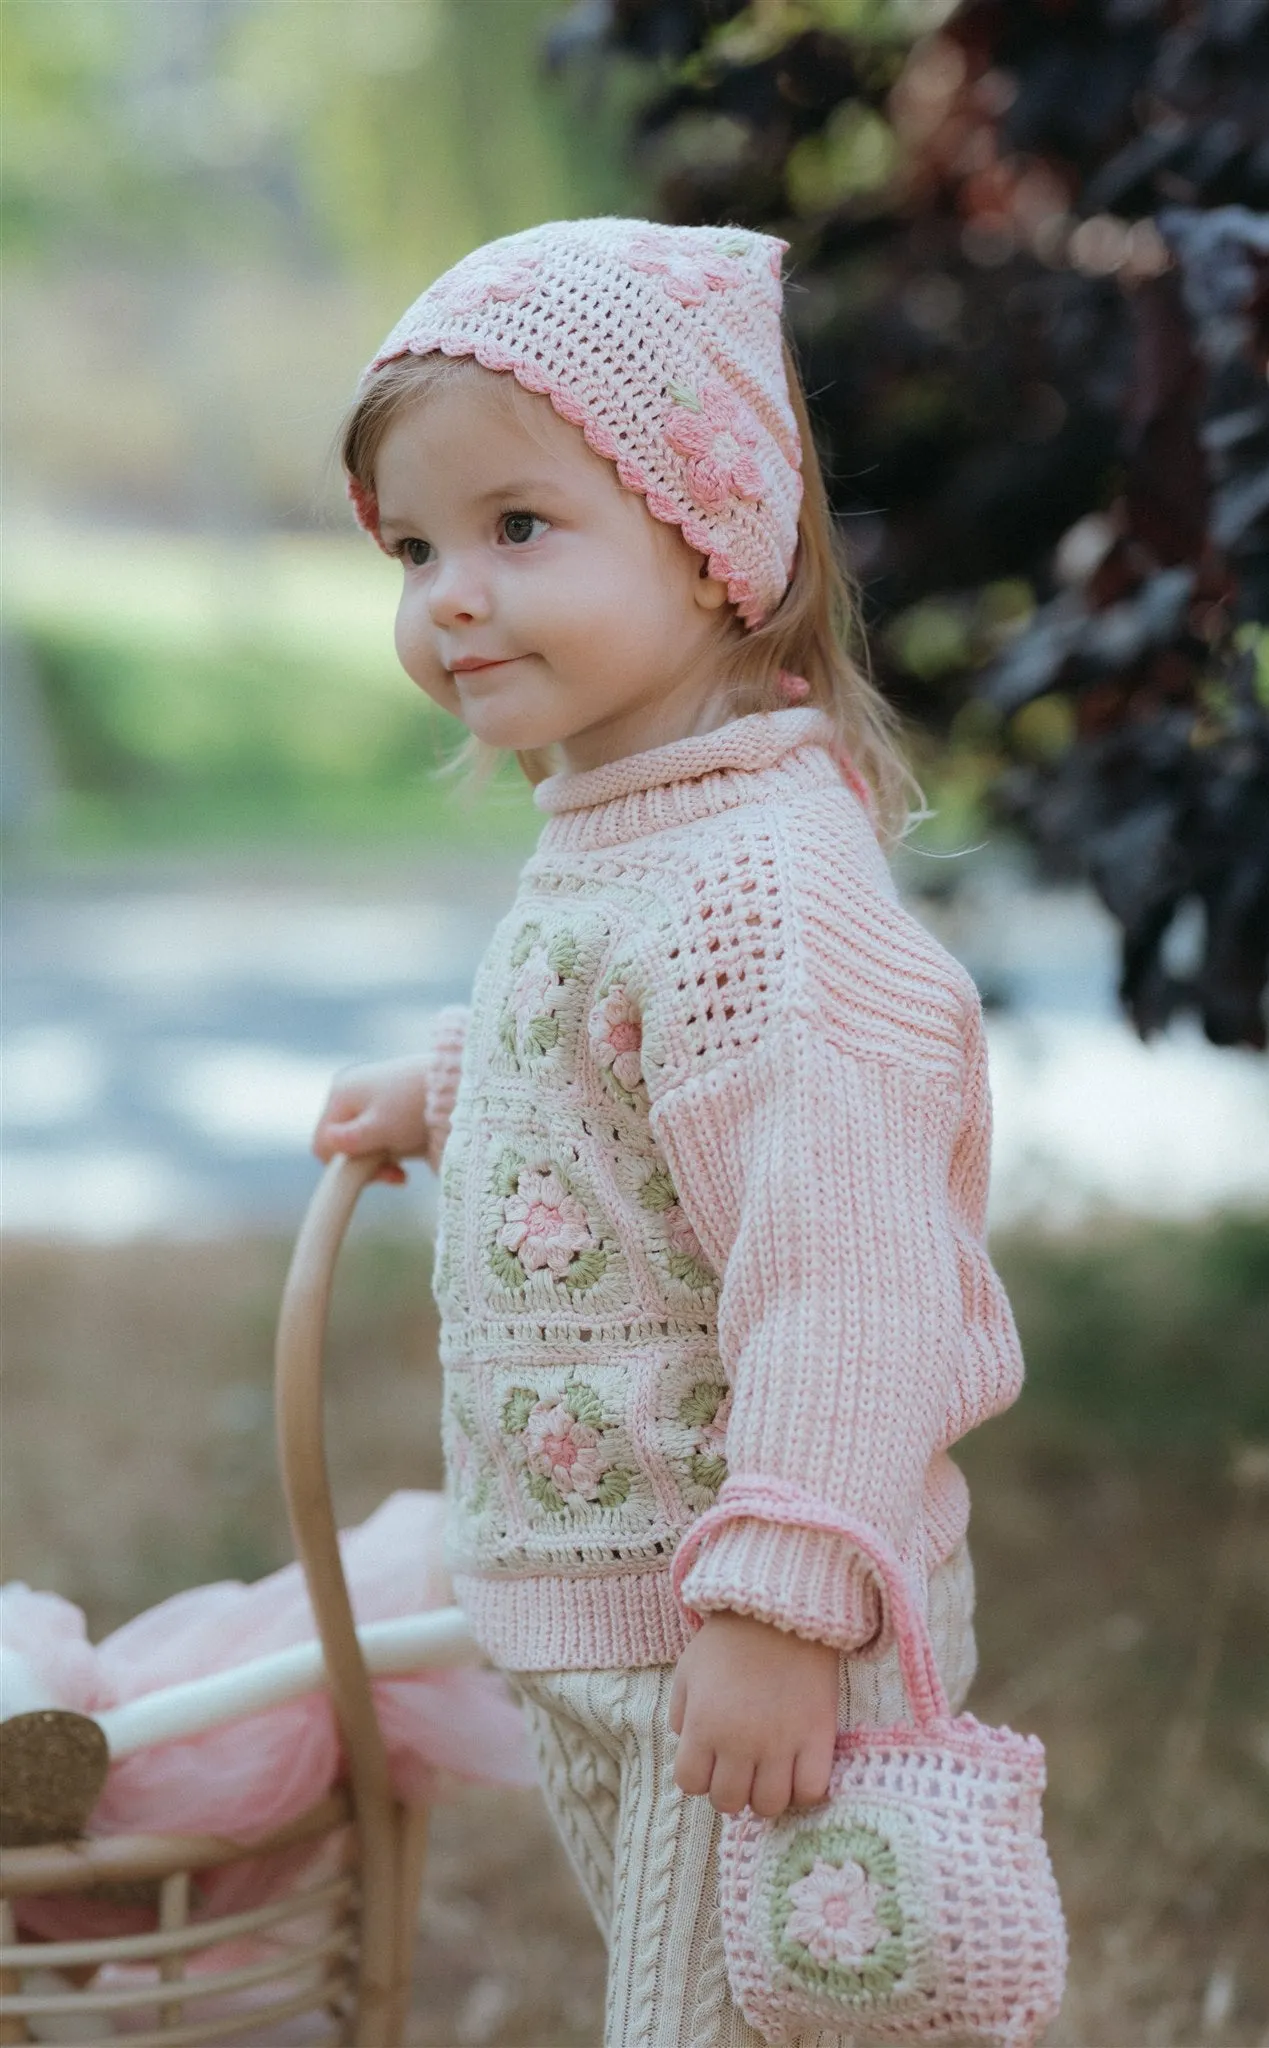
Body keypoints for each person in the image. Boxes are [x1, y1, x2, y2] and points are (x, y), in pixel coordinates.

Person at [312, 216, 1026, 2048]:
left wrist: (786, 1608)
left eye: (516, 528)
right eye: (414, 548)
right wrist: (460, 1096)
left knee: (743, 2018)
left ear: (715, 543)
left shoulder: (764, 893)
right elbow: (632, 1110)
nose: (448, 594)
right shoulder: (640, 836)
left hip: (743, 1624)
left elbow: (848, 1275)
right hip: (622, 1631)